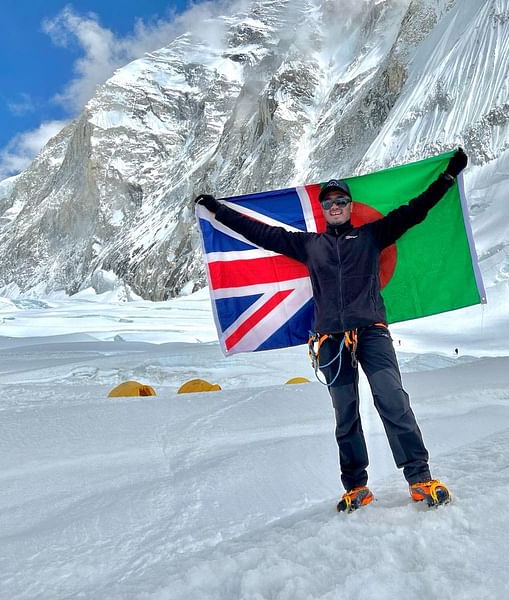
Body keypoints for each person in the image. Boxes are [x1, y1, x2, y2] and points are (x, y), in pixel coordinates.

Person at [195, 148, 468, 512]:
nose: (335, 206)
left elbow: (415, 210)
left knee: (392, 399)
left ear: (350, 206)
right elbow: (262, 233)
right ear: (324, 210)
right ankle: (355, 486)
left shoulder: (372, 236)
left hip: (372, 332)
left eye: (341, 201)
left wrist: (447, 177)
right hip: (330, 341)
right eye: (329, 202)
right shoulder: (311, 245)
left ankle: (420, 478)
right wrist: (219, 211)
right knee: (346, 412)